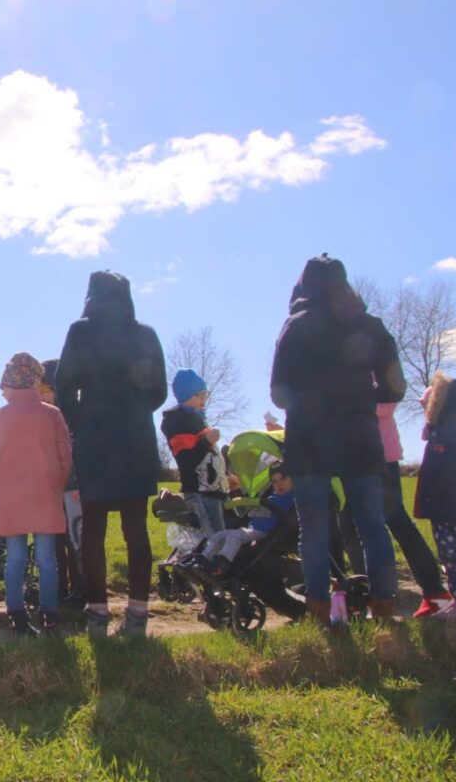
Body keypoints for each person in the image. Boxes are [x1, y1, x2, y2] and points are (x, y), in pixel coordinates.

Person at [270, 254, 405, 624]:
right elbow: (396, 387)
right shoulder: (371, 326)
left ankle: (317, 610)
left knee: (313, 525)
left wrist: (311, 401)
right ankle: (384, 608)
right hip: (359, 435)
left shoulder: (294, 327)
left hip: (309, 437)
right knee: (371, 523)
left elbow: (278, 394)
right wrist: (361, 399)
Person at [56, 272, 167, 638]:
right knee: (136, 529)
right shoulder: (145, 334)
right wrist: (134, 412)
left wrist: (81, 423)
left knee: (93, 530)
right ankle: (137, 615)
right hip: (135, 439)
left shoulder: (80, 331)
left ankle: (98, 614)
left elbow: (63, 387)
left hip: (96, 441)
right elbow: (160, 392)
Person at [0, 353, 72, 637]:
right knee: (47, 558)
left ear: (10, 384)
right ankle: (49, 614)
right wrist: (56, 484)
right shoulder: (52, 414)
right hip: (45, 493)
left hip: (11, 495)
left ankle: (16, 613)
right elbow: (64, 456)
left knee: (16, 558)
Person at [374, 401, 452, 617]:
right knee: (352, 525)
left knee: (396, 520)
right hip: (349, 456)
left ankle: (434, 591)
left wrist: (356, 406)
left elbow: (388, 403)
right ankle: (365, 596)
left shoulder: (374, 367)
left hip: (381, 454)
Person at [414, 372, 456, 618]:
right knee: (452, 553)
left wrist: (429, 497)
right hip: (451, 506)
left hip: (449, 507)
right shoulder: (447, 429)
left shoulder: (447, 433)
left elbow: (440, 469)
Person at [161, 368, 230, 537]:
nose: (204, 398)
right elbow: (186, 459)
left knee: (227, 533)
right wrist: (207, 441)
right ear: (186, 396)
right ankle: (216, 562)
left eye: (205, 394)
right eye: (200, 394)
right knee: (217, 538)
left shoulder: (198, 420)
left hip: (215, 491)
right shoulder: (178, 422)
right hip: (201, 493)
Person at [40, 359, 83, 605]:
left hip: (73, 489)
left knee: (75, 539)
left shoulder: (73, 416)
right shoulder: (43, 418)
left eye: (45, 391)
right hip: (49, 491)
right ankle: (58, 589)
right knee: (54, 541)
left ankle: (81, 589)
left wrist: (78, 485)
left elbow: (78, 452)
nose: (41, 397)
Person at [201, 464, 292, 574]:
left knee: (236, 535)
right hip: (253, 528)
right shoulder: (273, 496)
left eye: (283, 479)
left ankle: (223, 562)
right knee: (219, 535)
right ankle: (205, 558)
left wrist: (257, 505)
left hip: (263, 532)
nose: (279, 484)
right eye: (275, 482)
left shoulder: (289, 497)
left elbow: (268, 510)